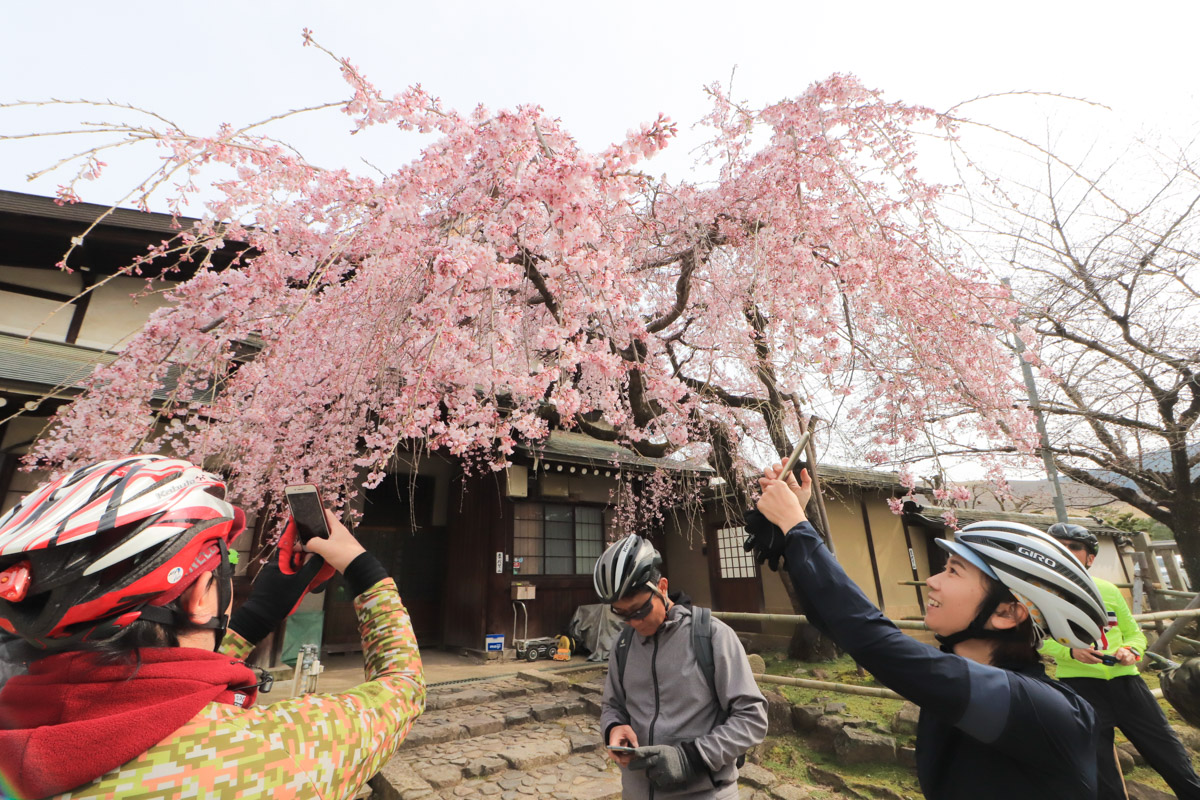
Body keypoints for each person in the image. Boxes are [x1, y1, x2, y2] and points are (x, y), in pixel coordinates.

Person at [0, 455, 425, 800]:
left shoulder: (14, 728)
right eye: (224, 569)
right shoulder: (274, 751)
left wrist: (255, 617)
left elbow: (149, 692)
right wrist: (363, 569)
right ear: (202, 594)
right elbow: (402, 687)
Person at [752, 460, 1109, 800]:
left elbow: (876, 640)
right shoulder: (979, 683)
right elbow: (844, 627)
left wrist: (798, 526)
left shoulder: (1039, 706)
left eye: (953, 571)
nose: (932, 581)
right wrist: (791, 535)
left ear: (1006, 612)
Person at [595, 533, 768, 799]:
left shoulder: (712, 636)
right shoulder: (623, 644)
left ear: (661, 587)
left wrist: (691, 758)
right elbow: (612, 705)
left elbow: (752, 718)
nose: (634, 623)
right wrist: (614, 727)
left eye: (639, 610)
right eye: (621, 614)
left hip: (705, 792)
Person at [1041, 522, 1200, 799]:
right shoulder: (1038, 592)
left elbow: (1135, 635)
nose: (1065, 552)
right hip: (1080, 687)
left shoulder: (1109, 590)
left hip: (1128, 683)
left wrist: (1130, 651)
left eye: (1074, 547)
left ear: (1090, 557)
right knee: (1100, 766)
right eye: (1058, 546)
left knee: (1170, 753)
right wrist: (1070, 651)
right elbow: (1039, 638)